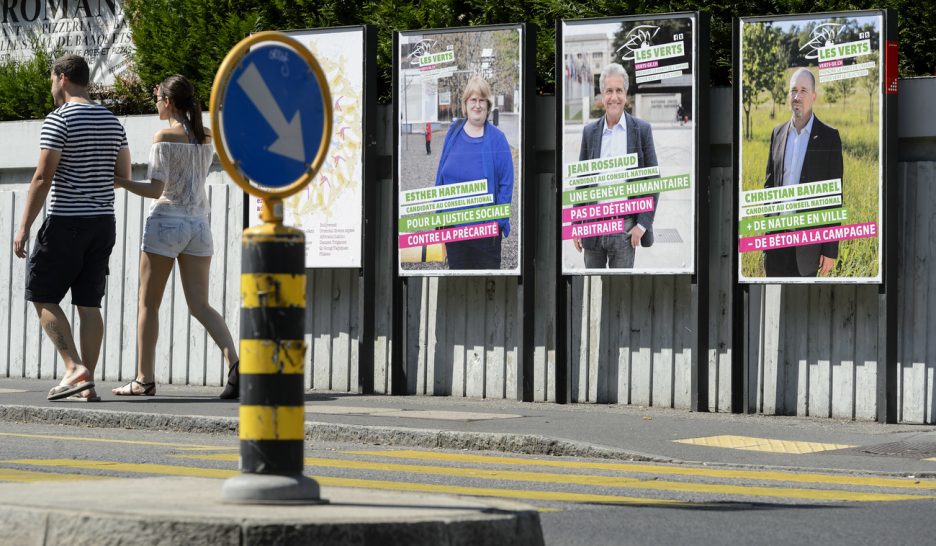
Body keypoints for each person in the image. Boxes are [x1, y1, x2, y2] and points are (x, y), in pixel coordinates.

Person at [111, 74, 240, 399]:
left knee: (148, 304)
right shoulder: (206, 136)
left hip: (166, 222)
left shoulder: (164, 136)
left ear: (168, 102)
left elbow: (156, 189)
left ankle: (144, 379)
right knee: (200, 305)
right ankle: (236, 364)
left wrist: (122, 182)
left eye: (157, 99)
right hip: (198, 225)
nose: (155, 105)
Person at [12, 55, 130, 402]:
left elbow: (42, 177)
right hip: (102, 223)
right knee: (89, 303)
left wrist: (23, 227)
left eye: (51, 80)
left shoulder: (58, 120)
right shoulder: (112, 121)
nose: (51, 87)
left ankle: (72, 366)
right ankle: (86, 382)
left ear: (62, 78)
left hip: (66, 221)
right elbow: (122, 177)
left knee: (42, 293)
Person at [573, 63, 658, 269]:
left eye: (619, 90)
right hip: (593, 228)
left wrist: (642, 225)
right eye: (609, 91)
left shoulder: (641, 130)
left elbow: (653, 181)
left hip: (625, 229)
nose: (614, 97)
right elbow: (582, 183)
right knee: (593, 291)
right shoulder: (590, 132)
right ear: (602, 95)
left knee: (621, 294)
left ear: (626, 94)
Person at [763, 67, 843, 277]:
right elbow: (769, 186)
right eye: (793, 90)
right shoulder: (777, 134)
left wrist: (829, 249)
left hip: (808, 249)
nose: (797, 96)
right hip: (776, 245)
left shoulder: (829, 137)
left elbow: (834, 197)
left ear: (814, 96)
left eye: (803, 91)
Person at [434, 76, 514, 270]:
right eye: (473, 100)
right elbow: (441, 176)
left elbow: (506, 184)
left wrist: (498, 223)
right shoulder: (453, 132)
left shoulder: (498, 139)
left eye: (482, 100)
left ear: (488, 105)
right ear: (465, 104)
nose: (477, 105)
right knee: (459, 289)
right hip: (454, 231)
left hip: (485, 235)